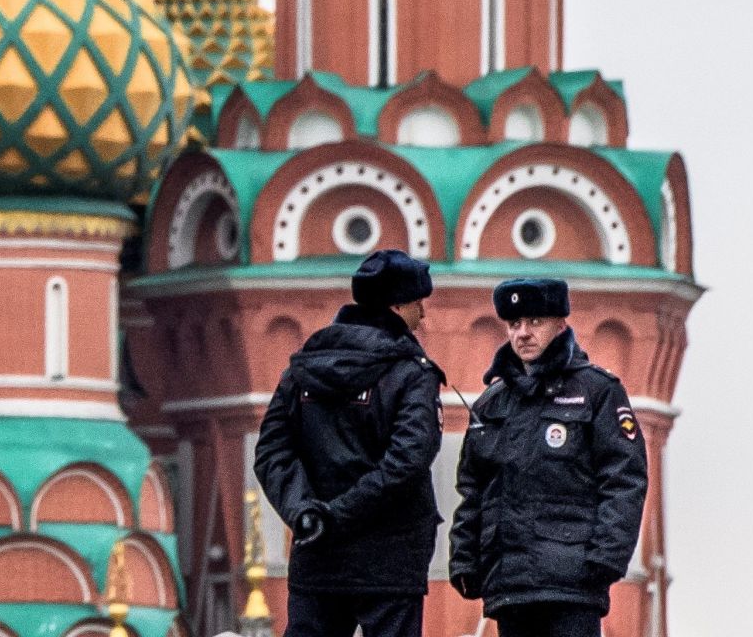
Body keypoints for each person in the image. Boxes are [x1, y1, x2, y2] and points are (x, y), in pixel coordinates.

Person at [253, 249, 446, 637]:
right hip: (390, 561)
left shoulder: (301, 369)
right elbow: (408, 462)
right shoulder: (410, 374)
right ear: (395, 306)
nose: (422, 315)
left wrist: (305, 512)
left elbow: (271, 452)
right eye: (417, 303)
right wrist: (337, 514)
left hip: (316, 550)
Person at [449, 278, 648, 637]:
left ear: (561, 325)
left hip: (573, 583)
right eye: (514, 324)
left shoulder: (597, 392)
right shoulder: (490, 404)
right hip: (509, 585)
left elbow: (624, 479)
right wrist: (465, 560)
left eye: (535, 323)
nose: (523, 333)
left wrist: (605, 558)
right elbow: (473, 491)